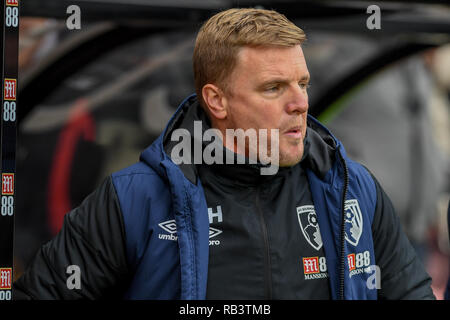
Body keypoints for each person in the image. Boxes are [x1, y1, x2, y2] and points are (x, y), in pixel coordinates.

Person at [13, 8, 434, 300]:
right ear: (217, 101)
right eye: (274, 87)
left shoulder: (353, 189)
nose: (301, 103)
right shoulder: (134, 199)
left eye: (302, 83)